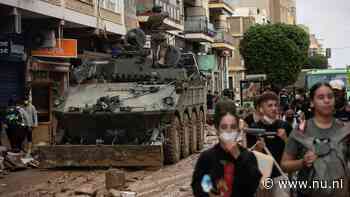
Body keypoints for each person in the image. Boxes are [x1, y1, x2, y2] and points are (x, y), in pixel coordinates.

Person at [281, 82, 350, 197]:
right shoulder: (301, 131)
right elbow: (284, 165)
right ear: (312, 102)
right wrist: (303, 162)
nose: (327, 101)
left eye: (330, 96)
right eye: (321, 97)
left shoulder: (346, 130)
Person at [191, 100, 261, 197]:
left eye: (233, 127)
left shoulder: (248, 156)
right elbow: (197, 186)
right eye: (224, 127)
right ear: (217, 130)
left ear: (238, 130)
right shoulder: (207, 157)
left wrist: (238, 156)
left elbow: (254, 185)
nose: (228, 131)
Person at [247, 91, 293, 179]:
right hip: (262, 178)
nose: (274, 108)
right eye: (270, 105)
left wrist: (285, 139)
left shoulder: (285, 126)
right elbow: (250, 158)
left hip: (281, 176)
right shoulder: (254, 128)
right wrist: (258, 148)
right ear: (261, 109)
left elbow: (294, 153)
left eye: (276, 105)